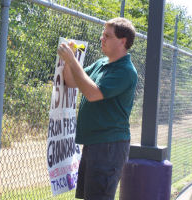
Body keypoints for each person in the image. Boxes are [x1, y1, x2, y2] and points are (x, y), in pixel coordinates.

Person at [57, 17, 138, 200]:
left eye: (107, 36)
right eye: (103, 35)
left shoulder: (125, 70)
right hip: (95, 143)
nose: (102, 39)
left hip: (109, 147)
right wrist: (69, 60)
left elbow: (93, 94)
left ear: (122, 41)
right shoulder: (102, 63)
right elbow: (71, 82)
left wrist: (73, 61)